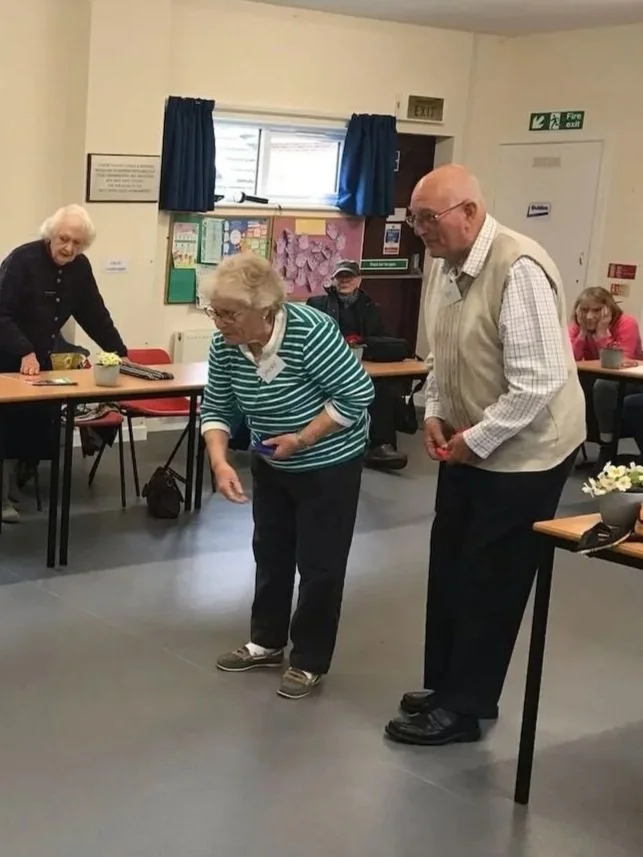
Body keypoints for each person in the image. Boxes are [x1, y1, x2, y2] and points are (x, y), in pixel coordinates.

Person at [385, 164, 585, 746]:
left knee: (490, 578)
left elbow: (538, 382)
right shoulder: (446, 268)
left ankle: (467, 708)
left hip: (526, 455)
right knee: (450, 565)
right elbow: (442, 358)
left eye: (430, 217)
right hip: (471, 444)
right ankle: (448, 686)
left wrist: (476, 438)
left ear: (469, 212)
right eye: (414, 217)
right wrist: (433, 415)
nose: (420, 228)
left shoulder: (517, 267)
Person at [201, 253, 374, 700]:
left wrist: (303, 437)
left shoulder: (310, 331)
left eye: (230, 313)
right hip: (271, 460)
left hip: (329, 462)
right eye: (215, 311)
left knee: (320, 564)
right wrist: (220, 462)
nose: (220, 322)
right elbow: (218, 406)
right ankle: (266, 642)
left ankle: (310, 659)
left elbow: (357, 395)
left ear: (267, 309)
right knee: (271, 551)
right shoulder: (226, 344)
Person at [0, 204, 128, 522]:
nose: (69, 248)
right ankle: (2, 497)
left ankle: (16, 486)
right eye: (64, 239)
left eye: (77, 243)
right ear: (51, 234)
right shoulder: (22, 260)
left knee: (35, 425)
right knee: (6, 426)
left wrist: (121, 352)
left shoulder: (79, 268)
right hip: (6, 354)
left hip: (41, 362)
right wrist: (24, 351)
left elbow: (94, 314)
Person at [307, 260, 407, 470]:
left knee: (383, 389)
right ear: (333, 280)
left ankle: (381, 446)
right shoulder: (317, 304)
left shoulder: (372, 308)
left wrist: (364, 344)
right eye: (340, 277)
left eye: (349, 277)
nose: (344, 281)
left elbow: (384, 339)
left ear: (359, 280)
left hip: (363, 364)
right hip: (327, 366)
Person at [569, 287, 642, 456]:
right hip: (595, 378)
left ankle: (607, 443)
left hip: (629, 380)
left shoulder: (626, 323)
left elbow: (620, 363)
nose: (589, 316)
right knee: (572, 382)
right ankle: (573, 438)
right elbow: (570, 359)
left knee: (604, 385)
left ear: (607, 309)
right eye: (585, 310)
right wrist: (581, 335)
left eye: (596, 310)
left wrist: (601, 334)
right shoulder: (578, 325)